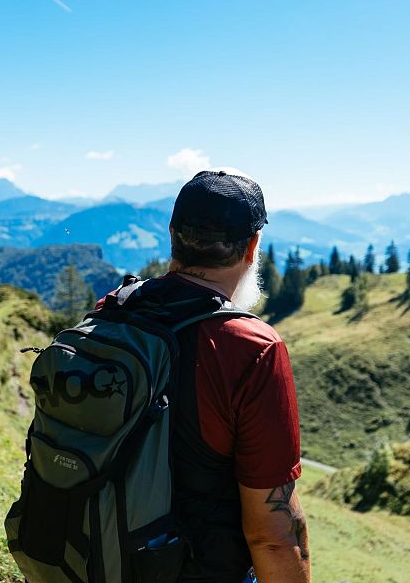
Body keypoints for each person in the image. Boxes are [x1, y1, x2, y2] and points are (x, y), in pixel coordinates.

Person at [131, 170, 310, 583]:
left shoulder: (113, 310)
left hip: (92, 560)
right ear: (252, 247)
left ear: (172, 233)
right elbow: (272, 537)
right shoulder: (251, 348)